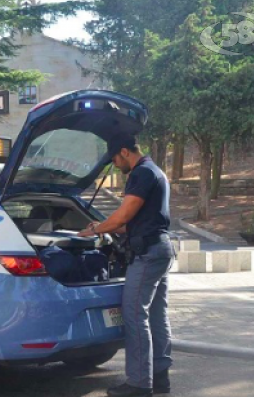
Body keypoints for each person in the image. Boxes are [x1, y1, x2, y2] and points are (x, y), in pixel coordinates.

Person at [78, 134, 174, 397]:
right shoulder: (156, 172)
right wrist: (101, 228)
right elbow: (131, 222)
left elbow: (124, 214)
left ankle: (139, 384)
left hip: (148, 253)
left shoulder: (141, 173)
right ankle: (160, 377)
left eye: (115, 159)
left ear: (124, 152)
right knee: (156, 314)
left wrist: (95, 229)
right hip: (161, 248)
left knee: (134, 314)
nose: (115, 163)